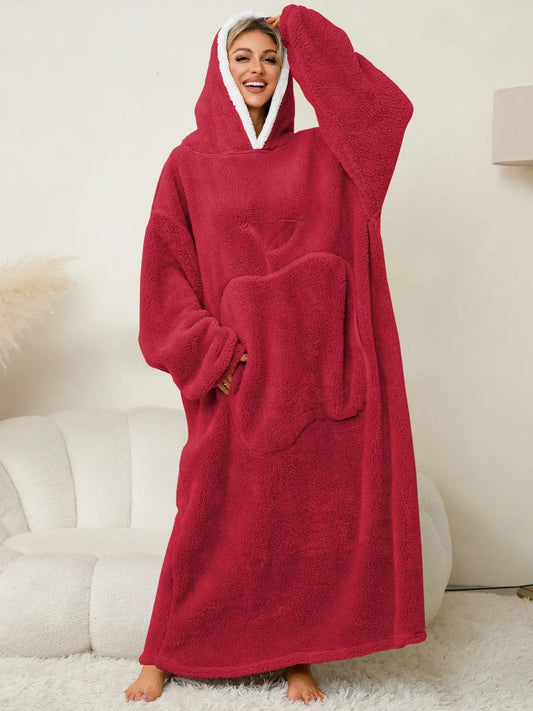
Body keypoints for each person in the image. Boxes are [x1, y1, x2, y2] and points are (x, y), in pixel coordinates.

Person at [125, 5, 426, 706]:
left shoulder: (329, 155)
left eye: (269, 56)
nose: (256, 69)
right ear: (220, 67)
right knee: (208, 515)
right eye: (243, 57)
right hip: (235, 381)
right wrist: (217, 358)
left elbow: (386, 111)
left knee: (300, 523)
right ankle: (163, 651)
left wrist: (298, 25)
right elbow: (164, 280)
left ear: (286, 67)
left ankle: (297, 657)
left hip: (319, 381)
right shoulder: (188, 165)